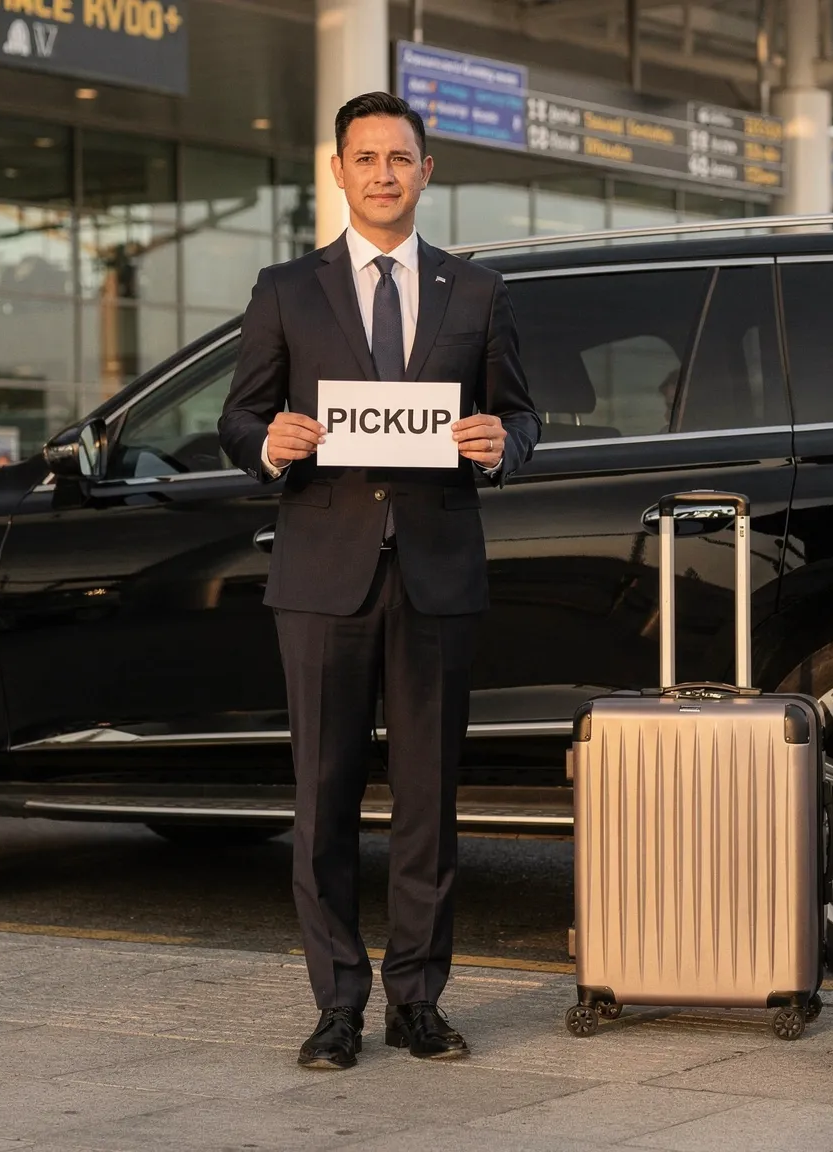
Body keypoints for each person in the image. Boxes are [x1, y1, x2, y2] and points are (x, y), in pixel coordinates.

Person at [218, 91, 539, 1071]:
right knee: (320, 801)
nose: (383, 174)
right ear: (339, 172)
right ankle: (334, 1005)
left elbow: (521, 418)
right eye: (365, 158)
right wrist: (265, 445)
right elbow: (238, 420)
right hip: (321, 580)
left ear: (425, 172)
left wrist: (500, 447)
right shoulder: (285, 290)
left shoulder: (473, 294)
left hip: (436, 575)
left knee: (426, 801)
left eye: (400, 158)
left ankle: (416, 999)